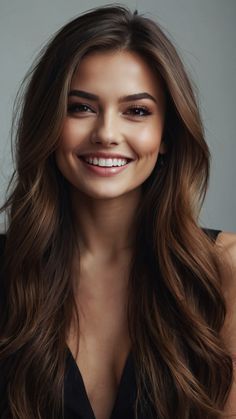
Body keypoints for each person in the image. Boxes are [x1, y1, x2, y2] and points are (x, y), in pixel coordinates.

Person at [0, 4, 235, 419]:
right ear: (49, 123)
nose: (107, 133)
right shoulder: (8, 268)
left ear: (166, 134)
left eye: (137, 111)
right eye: (81, 108)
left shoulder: (224, 271)